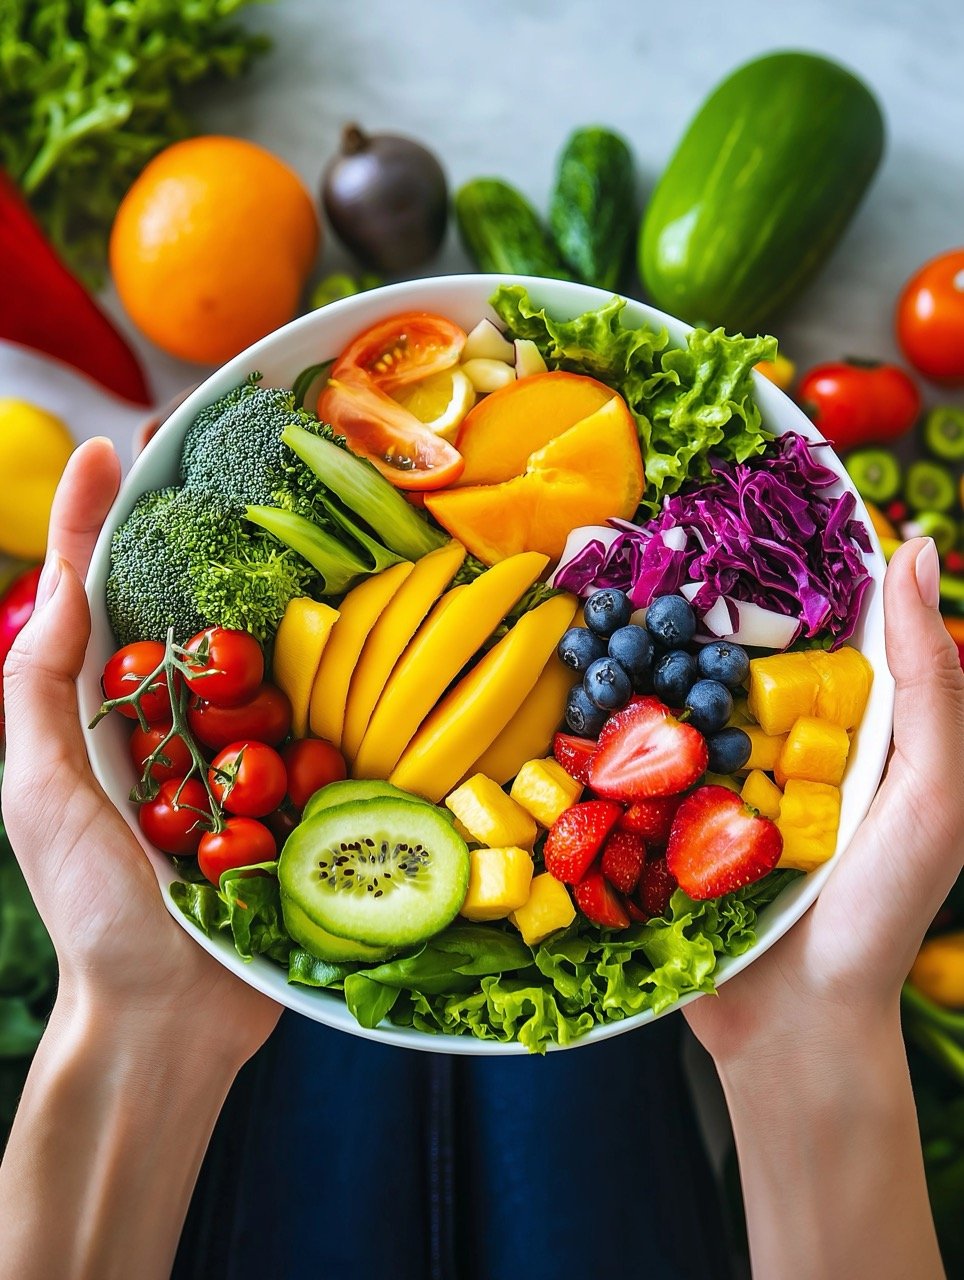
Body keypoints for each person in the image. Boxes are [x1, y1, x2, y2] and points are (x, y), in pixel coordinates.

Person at [0, 437, 961, 1280]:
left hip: (382, 861)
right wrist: (816, 1025)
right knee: (574, 1091)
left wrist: (142, 1021)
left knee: (344, 1081)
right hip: (401, 842)